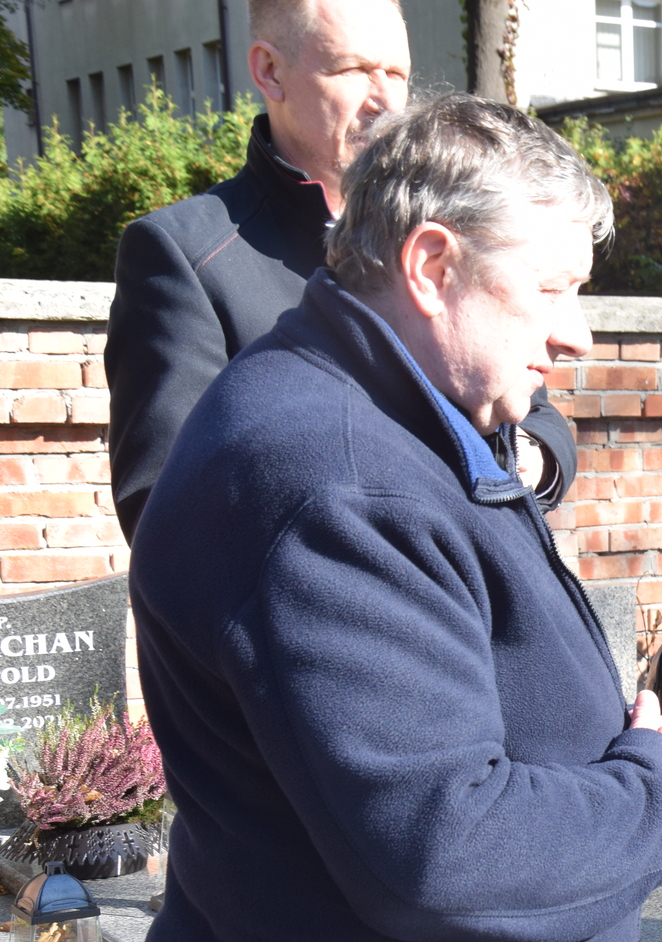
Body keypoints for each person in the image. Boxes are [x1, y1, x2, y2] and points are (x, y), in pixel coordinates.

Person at [119, 94, 662, 942]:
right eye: (550, 290)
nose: (579, 335)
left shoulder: (382, 423)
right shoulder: (334, 474)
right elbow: (442, 843)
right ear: (432, 263)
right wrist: (659, 786)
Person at [105, 0, 576, 541]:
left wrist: (523, 461)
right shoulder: (184, 253)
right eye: (353, 70)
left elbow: (536, 417)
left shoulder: (444, 232)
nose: (385, 102)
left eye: (397, 74)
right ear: (269, 71)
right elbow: (165, 508)